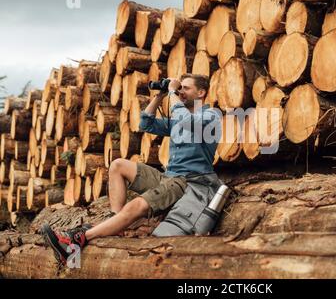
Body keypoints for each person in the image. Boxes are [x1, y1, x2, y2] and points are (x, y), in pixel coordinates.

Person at [41, 74, 223, 266]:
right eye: (181, 88)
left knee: (137, 205)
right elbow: (146, 123)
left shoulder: (210, 116)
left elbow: (188, 123)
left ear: (201, 93)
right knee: (118, 165)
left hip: (188, 181)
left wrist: (172, 93)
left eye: (186, 88)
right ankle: (114, 223)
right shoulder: (178, 117)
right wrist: (160, 96)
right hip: (168, 177)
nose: (181, 92)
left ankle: (77, 241)